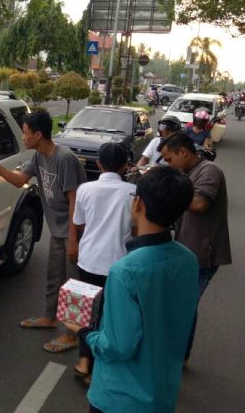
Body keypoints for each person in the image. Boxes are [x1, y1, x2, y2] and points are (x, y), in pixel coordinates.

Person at [64, 166, 199, 413]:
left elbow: (116, 346)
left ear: (138, 204)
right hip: (162, 392)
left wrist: (83, 331)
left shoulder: (125, 271)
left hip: (118, 397)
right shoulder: (189, 260)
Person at [0, 110, 87, 353]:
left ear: (38, 134)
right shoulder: (39, 157)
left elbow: (75, 200)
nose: (23, 137)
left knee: (74, 285)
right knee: (53, 277)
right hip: (59, 230)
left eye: (26, 133)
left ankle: (72, 335)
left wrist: (73, 238)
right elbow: (20, 180)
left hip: (75, 231)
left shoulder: (64, 158)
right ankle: (50, 318)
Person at [158, 133, 232, 364]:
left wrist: (168, 192)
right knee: (182, 304)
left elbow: (200, 203)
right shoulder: (187, 171)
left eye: (169, 159)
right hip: (186, 250)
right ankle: (179, 354)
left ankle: (178, 357)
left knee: (184, 306)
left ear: (183, 152)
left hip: (202, 254)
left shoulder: (209, 171)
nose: (169, 164)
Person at [71, 143, 136, 381]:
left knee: (87, 312)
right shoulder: (133, 192)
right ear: (125, 166)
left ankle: (83, 361)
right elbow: (137, 228)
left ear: (98, 164)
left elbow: (79, 222)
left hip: (88, 260)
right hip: (119, 264)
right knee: (110, 315)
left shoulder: (85, 189)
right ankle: (98, 367)